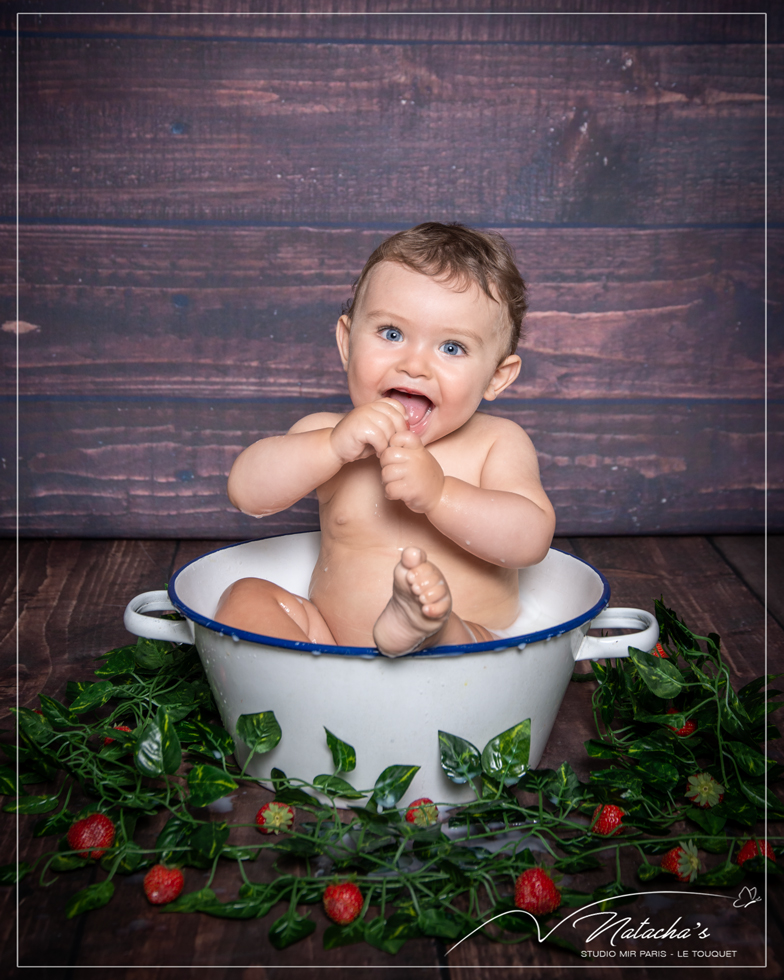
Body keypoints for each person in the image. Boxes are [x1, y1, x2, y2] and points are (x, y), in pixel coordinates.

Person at [216, 223, 555, 656]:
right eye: (391, 334)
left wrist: (440, 494)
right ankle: (299, 687)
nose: (414, 365)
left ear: (497, 377)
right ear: (346, 342)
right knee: (245, 593)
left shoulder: (496, 442)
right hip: (331, 648)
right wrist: (331, 447)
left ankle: (424, 627)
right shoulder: (327, 434)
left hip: (465, 654)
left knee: (451, 628)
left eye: (452, 347)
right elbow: (246, 492)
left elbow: (530, 540)